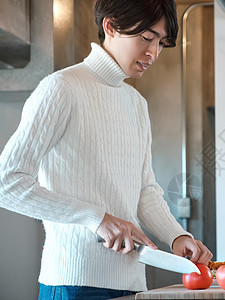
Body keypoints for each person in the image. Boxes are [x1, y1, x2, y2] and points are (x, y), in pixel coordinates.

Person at [0, 0, 212, 299]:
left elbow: (145, 191)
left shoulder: (136, 103)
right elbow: (6, 182)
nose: (153, 53)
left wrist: (176, 235)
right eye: (147, 37)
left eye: (161, 43)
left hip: (132, 284)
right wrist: (95, 217)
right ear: (110, 26)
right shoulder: (61, 87)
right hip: (74, 282)